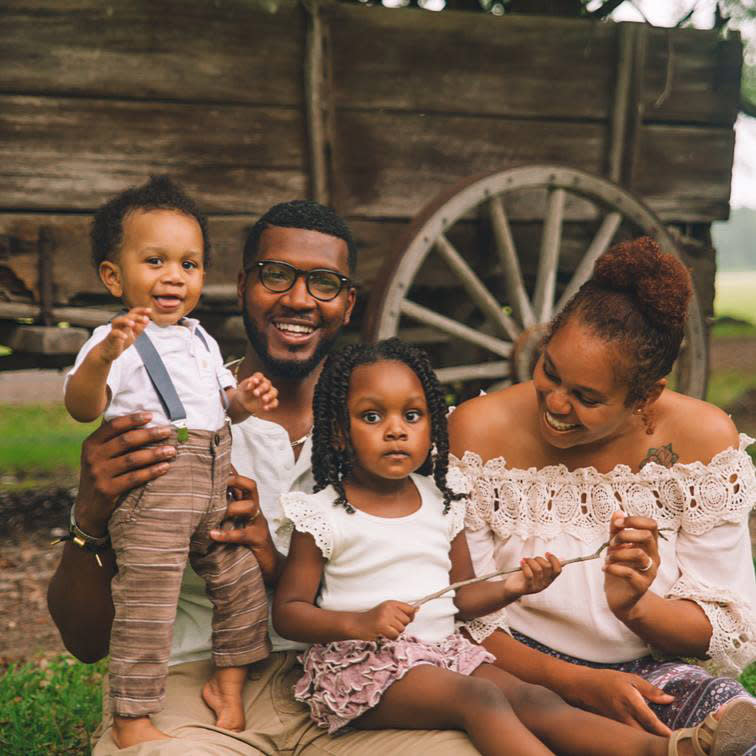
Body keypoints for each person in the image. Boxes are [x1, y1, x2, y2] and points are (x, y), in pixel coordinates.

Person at [48, 200, 479, 754]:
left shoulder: (392, 441)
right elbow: (84, 644)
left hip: (361, 686)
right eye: (276, 276)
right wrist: (89, 518)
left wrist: (272, 559)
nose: (298, 299)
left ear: (348, 305)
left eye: (324, 283)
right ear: (240, 283)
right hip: (194, 689)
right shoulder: (167, 414)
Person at [273, 337, 751, 756]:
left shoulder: (444, 503)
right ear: (339, 430)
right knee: (479, 700)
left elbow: (461, 599)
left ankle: (667, 749)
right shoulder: (324, 514)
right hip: (367, 669)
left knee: (534, 698)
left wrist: (515, 586)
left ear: (432, 426)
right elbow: (289, 611)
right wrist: (359, 621)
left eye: (412, 416)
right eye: (372, 416)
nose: (396, 430)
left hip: (443, 656)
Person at [448, 237, 756, 755]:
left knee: (730, 721)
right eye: (549, 370)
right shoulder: (478, 431)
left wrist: (636, 605)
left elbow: (718, 629)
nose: (555, 402)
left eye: (587, 397)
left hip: (649, 675)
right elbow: (464, 612)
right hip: (514, 669)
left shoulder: (702, 442)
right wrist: (576, 681)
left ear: (646, 396)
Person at [62, 176, 279, 747]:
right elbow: (83, 407)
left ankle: (228, 686)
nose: (173, 277)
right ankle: (132, 715)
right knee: (147, 603)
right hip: (156, 490)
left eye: (189, 264)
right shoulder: (115, 340)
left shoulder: (202, 340)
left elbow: (219, 405)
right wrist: (104, 357)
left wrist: (245, 402)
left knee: (239, 583)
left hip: (210, 482)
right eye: (155, 260)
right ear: (114, 276)